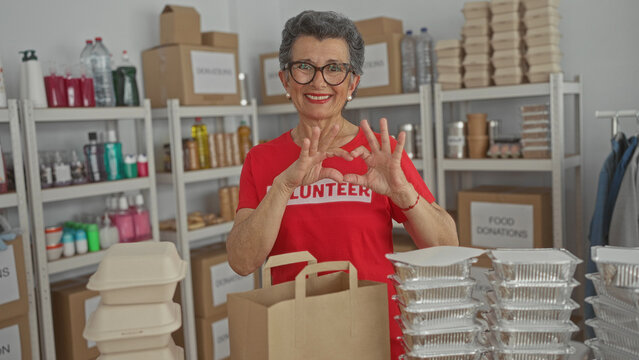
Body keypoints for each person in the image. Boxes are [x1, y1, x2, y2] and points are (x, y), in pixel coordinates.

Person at [227, 10, 458, 358]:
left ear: (352, 83)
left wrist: (403, 194)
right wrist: (283, 189)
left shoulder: (381, 153)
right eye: (304, 67)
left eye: (334, 69)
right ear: (285, 80)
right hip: (293, 340)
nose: (318, 82)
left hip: (374, 335)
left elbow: (448, 247)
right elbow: (242, 261)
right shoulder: (261, 160)